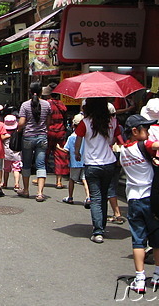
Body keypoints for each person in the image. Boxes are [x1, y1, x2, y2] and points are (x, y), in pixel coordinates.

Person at [120, 115, 159, 294]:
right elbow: (157, 146)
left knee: (138, 240)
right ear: (135, 131)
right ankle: (158, 272)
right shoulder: (143, 146)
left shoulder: (123, 151)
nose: (149, 133)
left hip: (133, 200)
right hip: (151, 199)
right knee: (158, 238)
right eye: (146, 129)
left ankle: (140, 277)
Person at [74, 97, 120, 243]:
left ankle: (98, 231)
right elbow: (115, 140)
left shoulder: (85, 122)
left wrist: (77, 153)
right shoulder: (112, 122)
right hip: (109, 163)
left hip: (92, 164)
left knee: (95, 198)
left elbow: (78, 140)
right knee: (104, 196)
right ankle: (102, 227)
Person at [18, 81, 51, 201]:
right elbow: (48, 122)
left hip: (28, 137)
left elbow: (21, 122)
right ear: (41, 92)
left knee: (26, 164)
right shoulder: (47, 105)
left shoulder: (25, 105)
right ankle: (40, 193)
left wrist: (18, 129)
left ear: (30, 92)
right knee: (41, 165)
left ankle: (26, 190)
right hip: (42, 137)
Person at [60, 115, 90, 206]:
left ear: (73, 125)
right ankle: (88, 197)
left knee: (72, 179)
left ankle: (70, 197)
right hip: (85, 161)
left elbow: (66, 149)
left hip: (75, 162)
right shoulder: (87, 136)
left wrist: (58, 148)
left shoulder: (72, 137)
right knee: (85, 180)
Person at [43, 85, 68, 189]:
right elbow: (65, 118)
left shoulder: (47, 104)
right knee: (60, 155)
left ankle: (41, 178)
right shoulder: (62, 104)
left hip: (49, 132)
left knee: (44, 154)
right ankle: (59, 181)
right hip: (60, 132)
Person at [1, 114, 23, 192]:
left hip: (7, 153)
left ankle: (5, 183)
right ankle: (16, 184)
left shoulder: (4, 133)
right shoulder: (18, 132)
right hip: (17, 152)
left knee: (6, 169)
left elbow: (1, 139)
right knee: (16, 169)